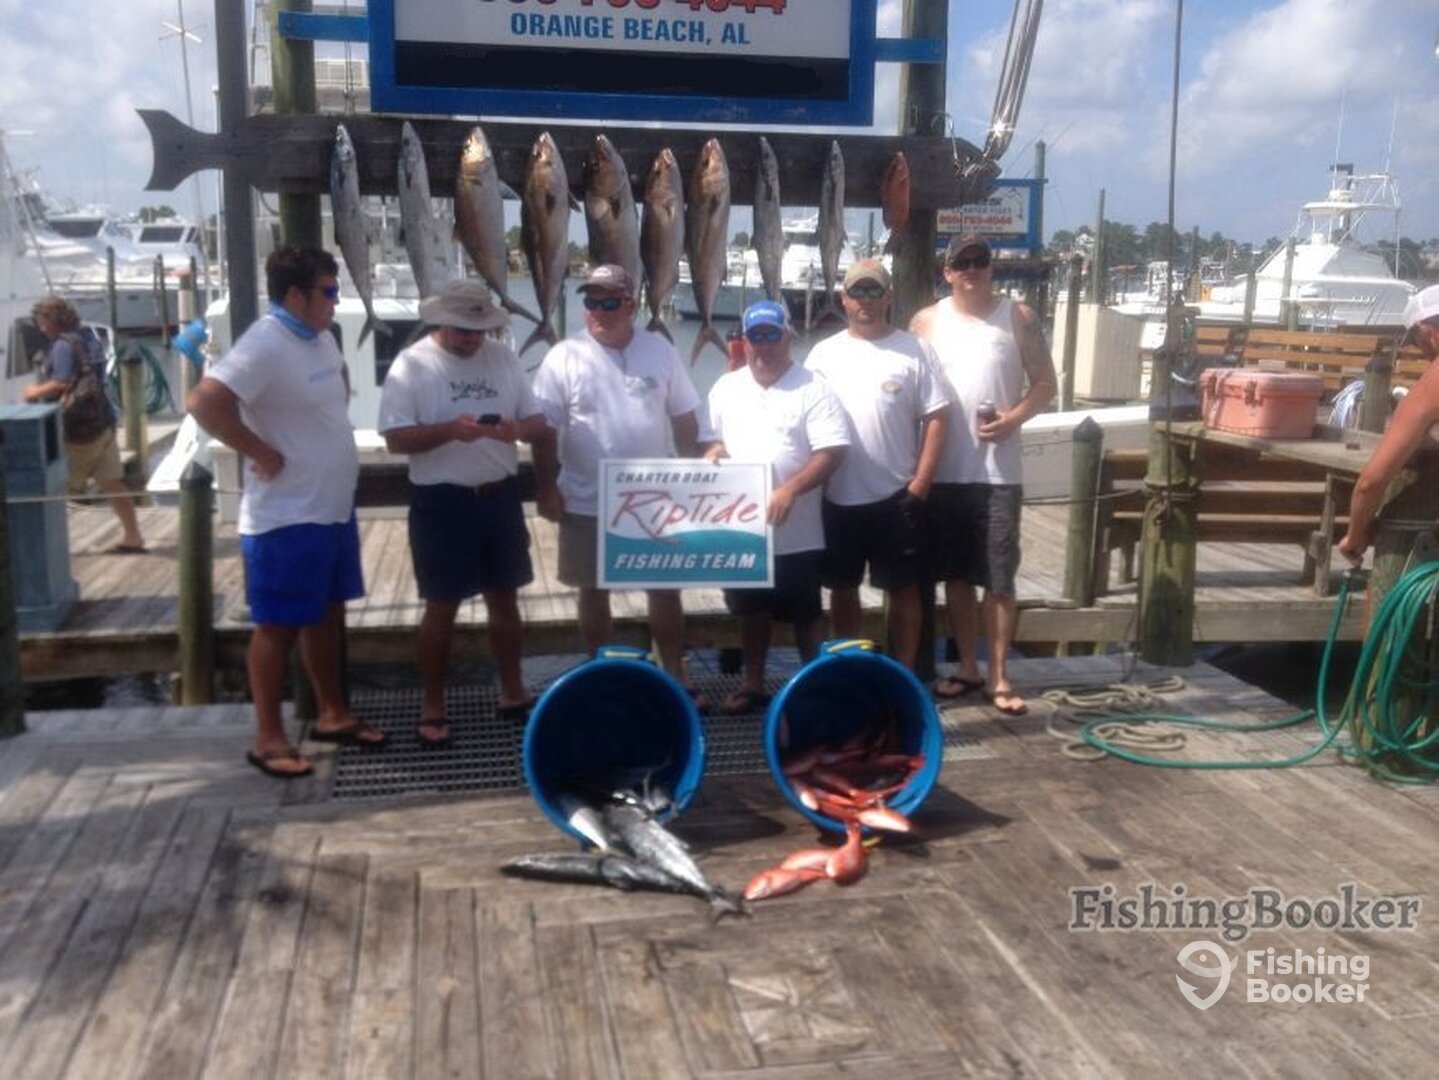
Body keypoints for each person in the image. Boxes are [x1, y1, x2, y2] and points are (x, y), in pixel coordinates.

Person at [188, 246, 387, 779]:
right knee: (276, 627)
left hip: (330, 508)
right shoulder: (265, 342)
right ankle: (268, 738)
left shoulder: (321, 337)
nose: (336, 300)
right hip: (286, 515)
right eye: (328, 291)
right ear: (295, 295)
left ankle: (332, 714)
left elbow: (336, 393)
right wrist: (260, 451)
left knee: (327, 614)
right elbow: (204, 402)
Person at [378, 280, 547, 745]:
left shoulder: (505, 358)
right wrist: (451, 431)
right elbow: (395, 439)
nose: (472, 338)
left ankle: (513, 691)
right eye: (462, 330)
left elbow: (537, 423)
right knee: (441, 606)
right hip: (441, 501)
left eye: (479, 329)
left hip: (499, 496)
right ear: (441, 322)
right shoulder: (412, 364)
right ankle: (432, 705)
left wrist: (514, 429)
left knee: (505, 599)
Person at [531, 264, 705, 697]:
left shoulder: (660, 350)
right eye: (591, 301)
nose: (598, 311)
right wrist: (546, 487)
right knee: (593, 590)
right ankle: (600, 673)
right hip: (585, 497)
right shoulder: (563, 355)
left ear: (631, 305)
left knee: (665, 590)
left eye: (609, 302)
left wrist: (695, 474)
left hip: (654, 497)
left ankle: (674, 675)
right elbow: (543, 430)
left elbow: (684, 417)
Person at [911, 234, 1057, 716]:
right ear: (947, 271)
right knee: (955, 576)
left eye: (980, 261)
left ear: (992, 268)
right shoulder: (925, 321)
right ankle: (968, 668)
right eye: (962, 263)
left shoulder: (1019, 316)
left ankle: (999, 674)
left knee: (998, 579)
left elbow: (1046, 385)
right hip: (943, 471)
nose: (972, 269)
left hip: (999, 474)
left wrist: (1013, 419)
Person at [701, 300, 849, 714]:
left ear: (787, 337)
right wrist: (713, 452)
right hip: (742, 530)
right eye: (755, 336)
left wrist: (790, 490)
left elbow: (832, 452)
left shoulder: (813, 386)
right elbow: (712, 440)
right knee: (750, 611)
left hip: (798, 530)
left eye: (771, 335)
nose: (763, 345)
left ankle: (814, 683)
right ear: (745, 342)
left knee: (806, 613)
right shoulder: (725, 388)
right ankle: (752, 684)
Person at [805, 258, 949, 672]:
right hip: (837, 495)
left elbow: (938, 417)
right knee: (842, 589)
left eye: (873, 291)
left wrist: (921, 484)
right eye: (858, 292)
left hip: (897, 496)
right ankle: (849, 668)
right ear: (844, 299)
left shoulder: (915, 349)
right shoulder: (822, 354)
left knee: (903, 589)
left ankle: (903, 672)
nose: (865, 300)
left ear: (889, 297)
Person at [24, 296, 146, 553]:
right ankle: (133, 535)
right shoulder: (90, 338)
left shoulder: (62, 345)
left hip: (78, 431)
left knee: (58, 489)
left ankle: (51, 551)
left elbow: (61, 382)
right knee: (113, 483)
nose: (41, 328)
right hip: (103, 421)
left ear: (53, 320)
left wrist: (32, 392)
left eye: (42, 322)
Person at [1338, 284, 1439, 566]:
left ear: (1425, 331)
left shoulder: (1431, 385)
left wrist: (1354, 536)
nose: (1422, 353)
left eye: (1416, 343)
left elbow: (1370, 483)